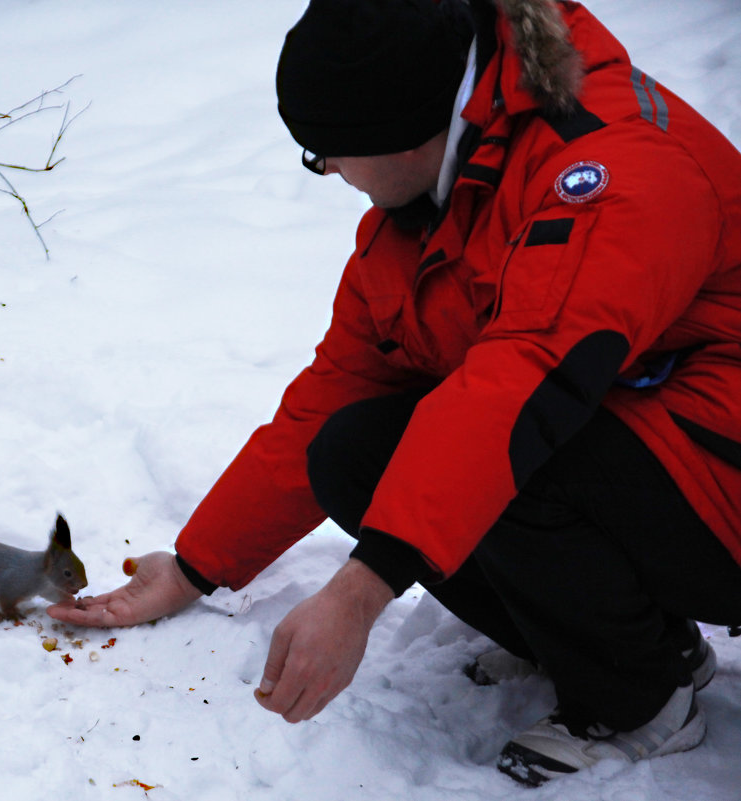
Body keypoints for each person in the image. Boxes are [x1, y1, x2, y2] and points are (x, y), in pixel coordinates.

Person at [49, 0, 741, 786]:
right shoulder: (429, 203)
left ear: (406, 130)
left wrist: (361, 586)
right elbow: (332, 394)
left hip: (723, 475)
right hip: (656, 454)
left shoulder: (609, 169)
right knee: (351, 448)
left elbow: (520, 386)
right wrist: (193, 566)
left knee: (508, 449)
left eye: (326, 151)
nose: (328, 171)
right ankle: (615, 640)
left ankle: (639, 697)